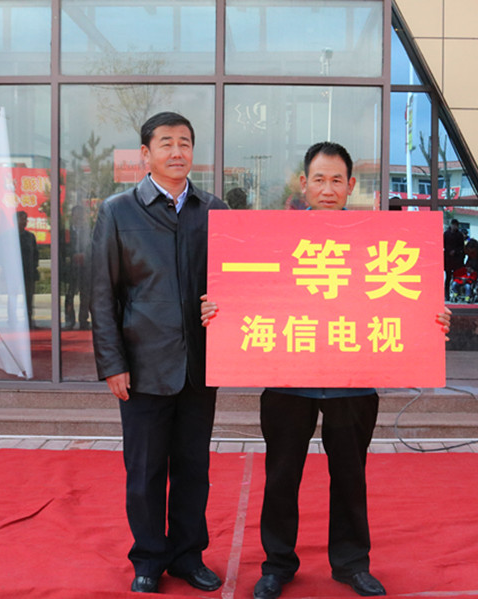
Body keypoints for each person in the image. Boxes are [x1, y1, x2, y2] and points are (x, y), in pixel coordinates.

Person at [202, 142, 451, 599]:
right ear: (304, 184)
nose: (328, 188)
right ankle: (277, 564)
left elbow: (407, 297)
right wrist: (218, 309)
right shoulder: (273, 238)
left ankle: (352, 564)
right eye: (319, 179)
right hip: (288, 381)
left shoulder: (377, 240)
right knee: (281, 478)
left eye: (337, 180)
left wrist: (432, 318)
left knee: (351, 479)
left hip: (352, 383)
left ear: (352, 185)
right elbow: (246, 291)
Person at [89, 112, 228, 594]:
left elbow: (235, 284)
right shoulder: (118, 211)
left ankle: (188, 556)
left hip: (199, 367)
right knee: (145, 472)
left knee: (194, 469)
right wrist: (112, 363)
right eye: (165, 143)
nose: (176, 151)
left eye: (184, 143)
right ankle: (148, 559)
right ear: (145, 154)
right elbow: (102, 296)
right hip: (143, 367)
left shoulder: (214, 211)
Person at [64, 204, 91, 330]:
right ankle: (69, 320)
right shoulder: (66, 232)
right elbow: (62, 248)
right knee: (69, 295)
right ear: (72, 216)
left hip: (85, 268)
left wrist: (85, 255)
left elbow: (93, 246)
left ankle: (83, 320)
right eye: (77, 214)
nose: (79, 217)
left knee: (85, 295)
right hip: (71, 268)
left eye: (81, 214)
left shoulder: (89, 231)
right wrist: (71, 255)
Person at [17, 211, 39, 328]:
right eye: (21, 219)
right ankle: (13, 320)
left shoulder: (30, 237)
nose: (24, 222)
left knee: (29, 298)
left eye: (25, 219)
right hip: (14, 274)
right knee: (13, 298)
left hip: (28, 272)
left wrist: (34, 267)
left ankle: (29, 321)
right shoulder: (9, 237)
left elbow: (35, 254)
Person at [443, 218, 465, 301]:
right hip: (448, 259)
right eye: (454, 225)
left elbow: (461, 247)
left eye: (456, 226)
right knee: (448, 277)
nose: (455, 227)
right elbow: (443, 244)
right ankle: (447, 294)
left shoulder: (459, 235)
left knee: (457, 277)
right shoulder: (446, 234)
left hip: (456, 259)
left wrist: (455, 251)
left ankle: (456, 294)